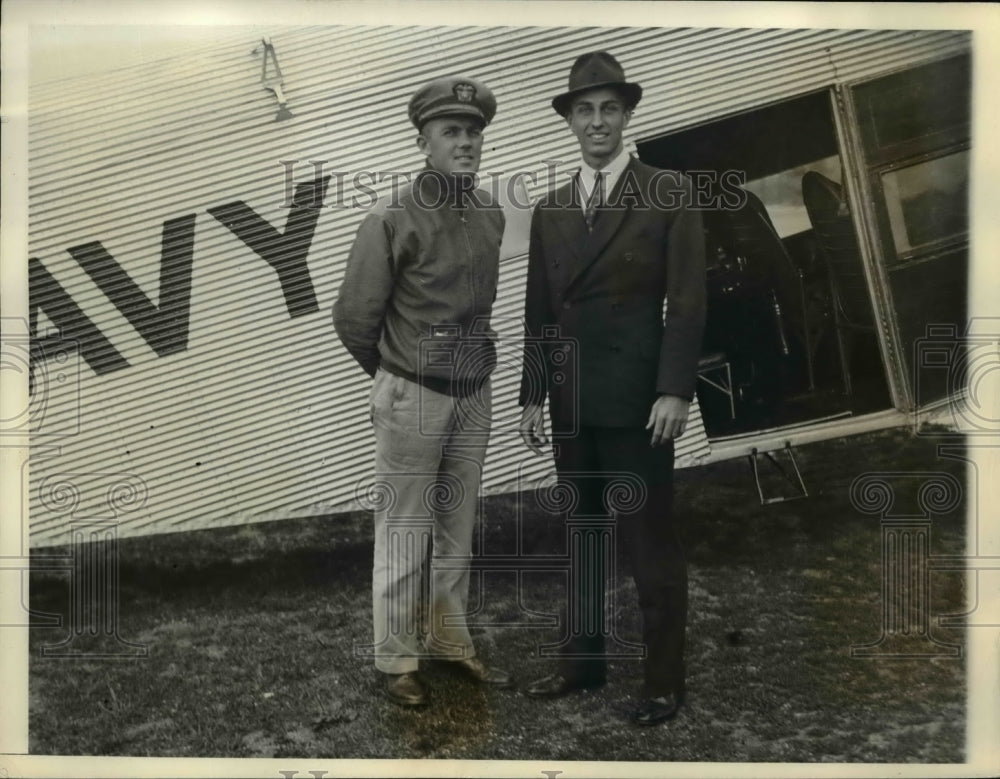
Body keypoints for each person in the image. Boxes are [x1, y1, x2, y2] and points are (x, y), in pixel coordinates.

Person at [518, 51, 707, 725]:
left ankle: (663, 682)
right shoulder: (551, 209)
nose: (596, 121)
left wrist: (674, 390)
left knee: (649, 543)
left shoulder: (668, 191)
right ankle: (583, 662)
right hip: (573, 402)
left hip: (638, 403)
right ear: (570, 121)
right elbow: (540, 310)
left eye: (608, 109)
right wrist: (532, 395)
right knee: (583, 535)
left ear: (626, 116)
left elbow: (688, 302)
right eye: (584, 110)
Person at [333, 75, 513, 708]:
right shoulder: (391, 217)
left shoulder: (489, 211)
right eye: (450, 131)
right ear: (423, 142)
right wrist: (396, 375)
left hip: (472, 394)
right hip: (413, 395)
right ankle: (396, 660)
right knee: (404, 530)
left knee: (456, 528)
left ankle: (448, 640)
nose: (465, 142)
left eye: (473, 132)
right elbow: (354, 317)